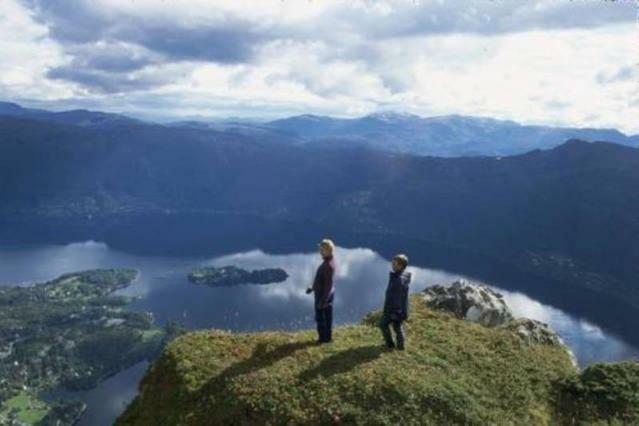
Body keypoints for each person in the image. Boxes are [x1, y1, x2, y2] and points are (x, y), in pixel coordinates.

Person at [306, 239, 336, 344]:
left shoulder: (327, 266)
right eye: (320, 249)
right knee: (327, 318)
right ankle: (327, 338)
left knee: (321, 318)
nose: (321, 251)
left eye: (323, 249)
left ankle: (323, 339)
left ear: (329, 250)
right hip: (326, 295)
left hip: (323, 296)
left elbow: (328, 284)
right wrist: (312, 287)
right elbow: (321, 280)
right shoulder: (329, 261)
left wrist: (323, 301)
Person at [379, 254, 411, 350]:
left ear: (400, 266)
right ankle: (401, 347)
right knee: (397, 326)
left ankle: (390, 344)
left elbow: (396, 298)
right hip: (400, 310)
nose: (392, 264)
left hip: (394, 310)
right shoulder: (401, 276)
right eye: (393, 262)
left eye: (394, 263)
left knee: (383, 324)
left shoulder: (398, 280)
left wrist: (394, 312)